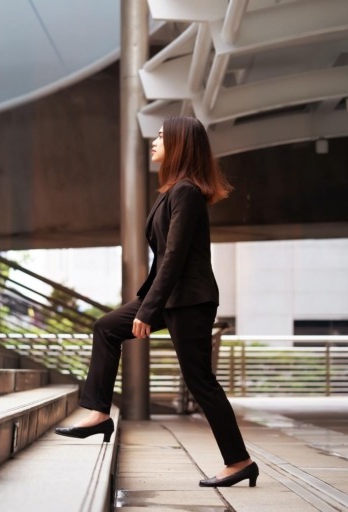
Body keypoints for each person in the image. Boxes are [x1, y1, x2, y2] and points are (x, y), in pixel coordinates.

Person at [55, 116, 258, 488]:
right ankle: (99, 413)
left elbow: (175, 256)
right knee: (106, 327)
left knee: (200, 381)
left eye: (162, 137)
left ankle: (240, 460)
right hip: (170, 297)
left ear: (180, 144)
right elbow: (166, 256)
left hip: (191, 300)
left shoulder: (187, 192)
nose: (155, 141)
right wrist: (149, 302)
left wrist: (148, 309)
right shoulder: (172, 191)